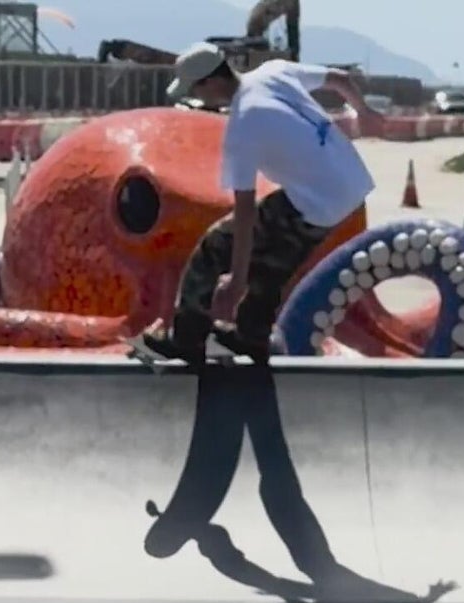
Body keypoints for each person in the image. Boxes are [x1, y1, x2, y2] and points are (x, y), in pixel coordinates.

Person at [140, 42, 386, 364]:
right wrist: (364, 112)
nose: (197, 99)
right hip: (350, 187)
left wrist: (236, 279)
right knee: (274, 262)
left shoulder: (244, 124)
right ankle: (252, 335)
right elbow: (340, 79)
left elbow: (244, 211)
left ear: (211, 82)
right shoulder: (274, 71)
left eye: (195, 90)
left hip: (317, 199)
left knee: (215, 246)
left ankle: (186, 337)